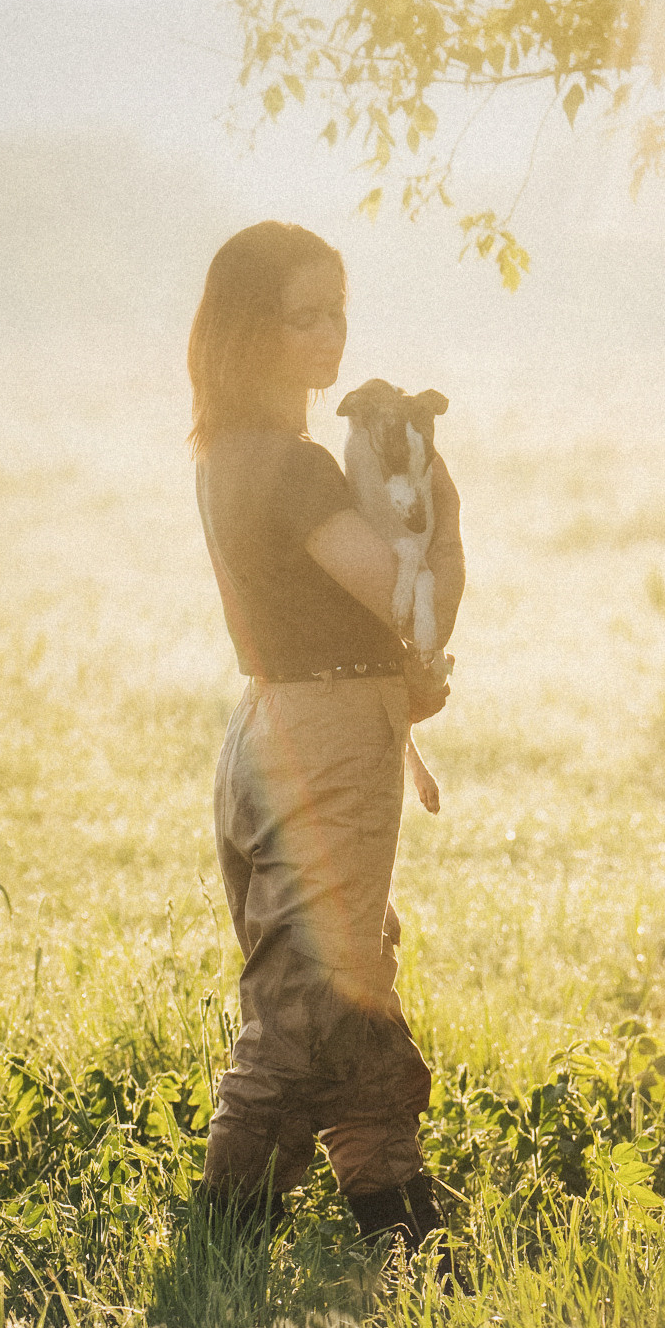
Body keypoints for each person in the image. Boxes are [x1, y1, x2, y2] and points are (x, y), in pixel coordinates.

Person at [187, 221, 464, 1252]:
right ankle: (221, 1251)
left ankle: (394, 1222)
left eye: (337, 310)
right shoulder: (295, 468)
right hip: (321, 740)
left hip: (271, 721)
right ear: (249, 329)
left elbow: (320, 621)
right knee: (306, 1003)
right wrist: (444, 503)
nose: (328, 335)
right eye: (302, 315)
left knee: (352, 976)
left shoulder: (228, 453)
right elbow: (408, 599)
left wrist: (393, 695)